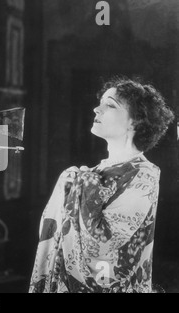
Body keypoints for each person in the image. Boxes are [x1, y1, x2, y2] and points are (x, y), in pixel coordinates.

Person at [29, 77, 175, 293]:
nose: (97, 109)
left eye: (110, 105)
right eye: (101, 103)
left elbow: (103, 247)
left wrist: (82, 184)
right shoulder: (92, 173)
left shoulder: (145, 176)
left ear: (135, 121)